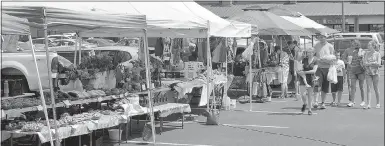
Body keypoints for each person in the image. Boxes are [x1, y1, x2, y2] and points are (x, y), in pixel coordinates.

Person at [313, 32, 335, 109]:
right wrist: (318, 59)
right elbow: (314, 56)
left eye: (323, 37)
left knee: (325, 86)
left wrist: (326, 60)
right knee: (317, 84)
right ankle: (315, 101)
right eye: (320, 37)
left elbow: (333, 59)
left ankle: (323, 102)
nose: (321, 38)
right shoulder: (316, 45)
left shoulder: (330, 46)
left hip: (327, 69)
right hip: (318, 68)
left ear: (326, 37)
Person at [342, 39, 366, 107]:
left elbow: (363, 58)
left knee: (361, 86)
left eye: (355, 43)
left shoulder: (361, 51)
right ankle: (352, 101)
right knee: (352, 86)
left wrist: (360, 54)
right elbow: (344, 58)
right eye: (352, 43)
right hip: (352, 70)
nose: (353, 44)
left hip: (360, 71)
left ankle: (363, 101)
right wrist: (348, 63)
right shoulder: (349, 50)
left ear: (358, 44)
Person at [298, 48, 318, 115]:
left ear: (313, 53)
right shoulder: (304, 59)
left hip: (311, 78)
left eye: (310, 52)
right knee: (303, 94)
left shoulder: (315, 60)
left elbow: (314, 71)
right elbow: (298, 63)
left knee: (310, 95)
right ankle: (305, 103)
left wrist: (305, 72)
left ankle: (309, 109)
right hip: (303, 78)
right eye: (308, 52)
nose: (309, 54)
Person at [362, 41, 382, 109]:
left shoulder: (377, 54)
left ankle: (378, 103)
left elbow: (379, 64)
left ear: (373, 46)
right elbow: (364, 63)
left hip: (375, 73)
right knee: (368, 88)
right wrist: (373, 63)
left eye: (369, 45)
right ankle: (368, 104)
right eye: (368, 45)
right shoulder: (366, 53)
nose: (368, 46)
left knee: (376, 88)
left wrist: (370, 63)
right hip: (368, 73)